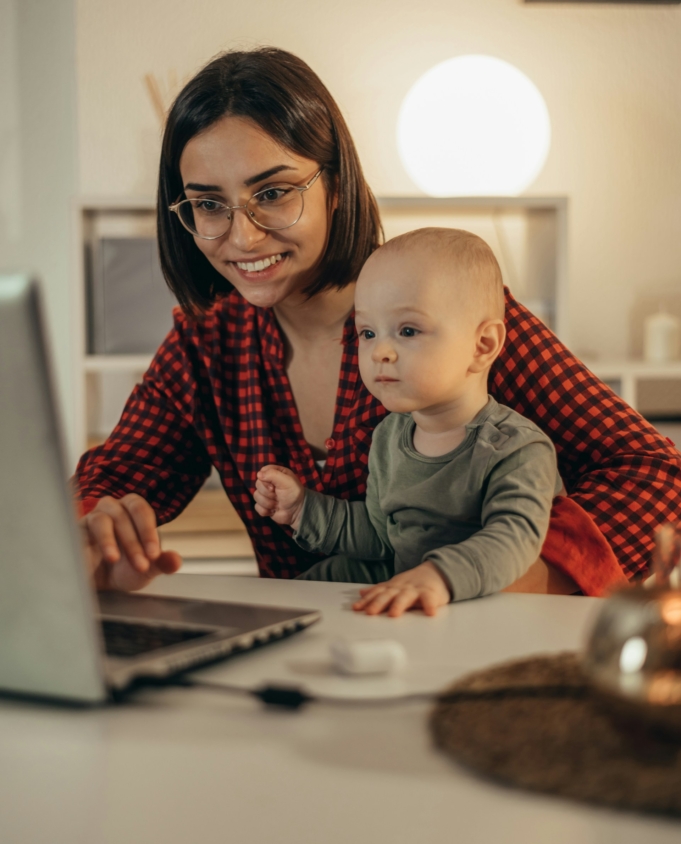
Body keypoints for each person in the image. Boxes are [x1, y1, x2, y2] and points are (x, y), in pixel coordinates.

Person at [75, 46, 681, 596]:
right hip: (310, 666)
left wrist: (518, 570)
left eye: (274, 193)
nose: (242, 234)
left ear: (337, 183)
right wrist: (96, 530)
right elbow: (115, 477)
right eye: (209, 204)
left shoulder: (450, 314)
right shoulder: (205, 344)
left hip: (464, 655)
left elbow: (657, 477)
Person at [254, 228, 561, 616]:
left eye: (408, 330)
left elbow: (514, 539)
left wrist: (437, 577)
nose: (380, 351)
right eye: (367, 332)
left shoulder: (516, 447)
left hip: (491, 611)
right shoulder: (389, 437)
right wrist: (302, 509)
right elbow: (382, 537)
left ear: (482, 345)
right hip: (413, 601)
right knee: (310, 586)